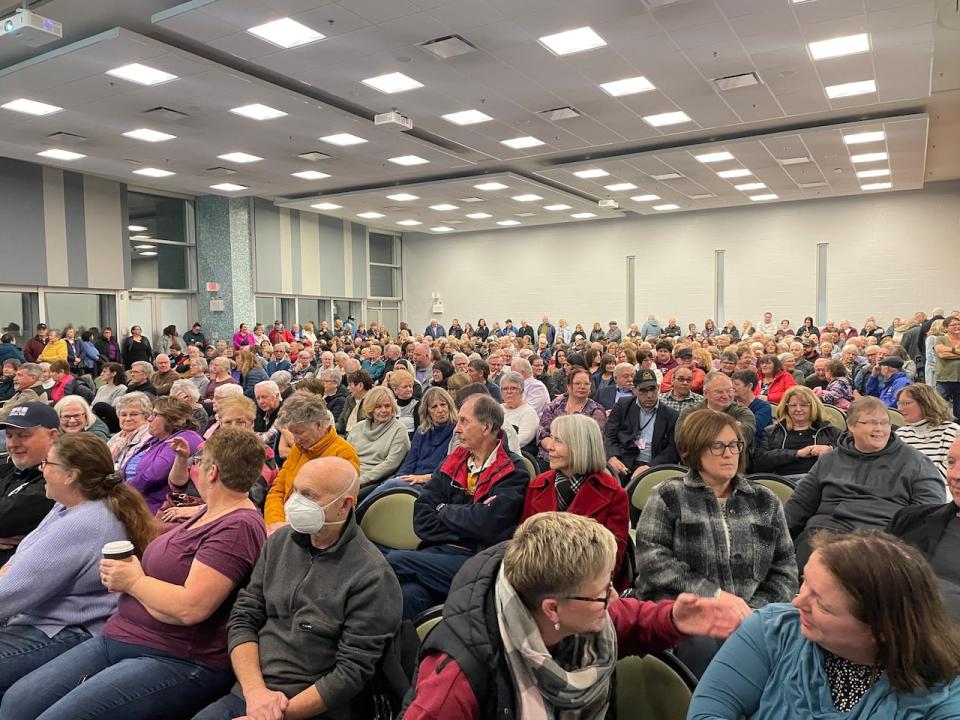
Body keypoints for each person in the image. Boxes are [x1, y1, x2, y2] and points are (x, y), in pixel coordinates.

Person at [0, 428, 268, 720]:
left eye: (197, 460)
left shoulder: (237, 526)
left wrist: (134, 581)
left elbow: (190, 607)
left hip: (174, 654)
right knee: (17, 704)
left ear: (212, 471)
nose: (193, 467)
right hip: (120, 636)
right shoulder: (209, 512)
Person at [402, 512, 743, 718]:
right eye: (601, 593)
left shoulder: (564, 608)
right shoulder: (456, 681)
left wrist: (672, 619)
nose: (613, 597)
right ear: (553, 608)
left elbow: (625, 619)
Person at [192, 457, 401, 720]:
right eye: (295, 491)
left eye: (308, 495)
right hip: (252, 693)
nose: (295, 502)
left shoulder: (372, 575)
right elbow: (244, 617)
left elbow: (352, 671)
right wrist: (255, 693)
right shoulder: (279, 542)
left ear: (344, 505)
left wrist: (275, 715)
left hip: (311, 707)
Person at [689, 531, 960, 719]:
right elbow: (708, 712)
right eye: (804, 582)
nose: (797, 603)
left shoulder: (943, 688)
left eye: (821, 604)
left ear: (882, 630)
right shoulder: (773, 629)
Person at [635, 408, 797, 674]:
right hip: (686, 611)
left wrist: (752, 612)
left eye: (734, 445)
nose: (729, 453)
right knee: (702, 649)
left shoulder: (764, 500)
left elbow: (785, 569)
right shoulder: (669, 495)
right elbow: (652, 561)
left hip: (752, 615)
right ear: (693, 451)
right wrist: (716, 597)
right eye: (718, 446)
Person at [0, 434, 155, 696]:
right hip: (43, 623)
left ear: (70, 475)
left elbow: (10, 592)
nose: (42, 470)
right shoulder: (68, 506)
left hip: (64, 632)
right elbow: (17, 566)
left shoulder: (84, 522)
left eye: (47, 464)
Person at [386, 394, 529, 619]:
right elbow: (422, 519)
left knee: (392, 561)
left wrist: (443, 510)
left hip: (479, 561)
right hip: (438, 554)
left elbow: (487, 527)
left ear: (486, 427)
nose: (456, 428)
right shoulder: (454, 461)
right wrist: (466, 521)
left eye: (464, 421)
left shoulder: (513, 470)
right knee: (409, 596)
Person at [784, 396, 945, 570]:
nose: (880, 429)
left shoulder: (916, 462)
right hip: (824, 534)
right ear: (851, 426)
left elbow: (929, 517)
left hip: (881, 540)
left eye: (884, 423)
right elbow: (797, 507)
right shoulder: (829, 461)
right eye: (870, 422)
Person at [522, 414, 630, 587]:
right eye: (551, 439)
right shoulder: (537, 485)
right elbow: (523, 543)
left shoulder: (614, 494)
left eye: (558, 441)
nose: (550, 447)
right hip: (538, 582)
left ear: (579, 447)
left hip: (588, 587)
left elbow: (612, 559)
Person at [264, 393, 360, 532]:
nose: (295, 440)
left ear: (319, 425)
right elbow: (277, 489)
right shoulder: (300, 449)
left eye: (300, 433)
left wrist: (283, 531)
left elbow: (338, 512)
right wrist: (275, 522)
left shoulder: (344, 456)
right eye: (293, 433)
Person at [360, 387, 458, 505]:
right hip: (412, 479)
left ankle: (360, 512)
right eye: (434, 407)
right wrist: (401, 477)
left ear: (450, 406)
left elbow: (449, 470)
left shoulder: (456, 432)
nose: (440, 410)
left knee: (391, 485)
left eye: (443, 405)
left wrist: (421, 478)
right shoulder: (422, 431)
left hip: (433, 483)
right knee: (391, 484)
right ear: (427, 411)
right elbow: (409, 463)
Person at [0, 403, 59, 565]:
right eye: (10, 435)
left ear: (53, 436)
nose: (13, 444)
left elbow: (4, 518)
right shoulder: (8, 469)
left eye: (23, 435)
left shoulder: (57, 481)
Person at [123, 396, 204, 513]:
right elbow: (125, 467)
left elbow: (152, 476)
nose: (149, 419)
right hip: (133, 499)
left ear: (172, 419)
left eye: (155, 415)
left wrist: (119, 491)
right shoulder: (155, 439)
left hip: (155, 507)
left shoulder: (185, 438)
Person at [605, 368, 680, 482]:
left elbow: (672, 450)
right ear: (634, 390)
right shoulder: (623, 406)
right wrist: (612, 457)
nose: (649, 395)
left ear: (658, 388)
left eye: (652, 389)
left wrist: (650, 467)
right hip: (624, 461)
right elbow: (610, 435)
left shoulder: (671, 415)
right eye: (643, 391)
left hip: (653, 464)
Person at [752, 386, 841, 478]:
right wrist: (796, 453)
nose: (798, 409)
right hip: (783, 482)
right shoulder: (772, 432)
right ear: (786, 408)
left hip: (819, 481)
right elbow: (759, 461)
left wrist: (831, 450)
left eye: (803, 405)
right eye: (793, 405)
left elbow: (850, 455)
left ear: (813, 407)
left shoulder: (829, 431)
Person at [537, 366, 607, 464]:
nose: (582, 387)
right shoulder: (553, 406)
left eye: (586, 384)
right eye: (577, 383)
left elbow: (592, 442)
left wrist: (564, 453)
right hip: (549, 456)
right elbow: (542, 434)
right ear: (569, 387)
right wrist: (556, 449)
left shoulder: (596, 411)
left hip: (578, 460)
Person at [346, 387, 411, 491]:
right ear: (370, 409)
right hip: (348, 474)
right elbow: (345, 454)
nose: (383, 410)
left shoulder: (399, 430)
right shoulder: (357, 427)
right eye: (378, 407)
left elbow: (391, 464)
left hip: (372, 482)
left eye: (387, 406)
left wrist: (361, 479)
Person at [896, 382, 960, 484]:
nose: (900, 409)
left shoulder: (952, 431)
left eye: (906, 403)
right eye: (899, 403)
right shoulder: (900, 434)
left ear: (925, 404)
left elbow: (949, 473)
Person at [678, 372, 757, 449]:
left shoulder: (743, 413)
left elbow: (745, 436)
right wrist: (732, 427)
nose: (726, 396)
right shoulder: (691, 412)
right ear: (705, 393)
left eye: (729, 390)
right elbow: (682, 440)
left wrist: (700, 430)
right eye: (719, 392)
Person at [107, 392, 153, 471]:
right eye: (123, 415)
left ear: (146, 415)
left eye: (134, 414)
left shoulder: (150, 438)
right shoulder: (116, 437)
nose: (128, 419)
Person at [731, 368, 772, 449]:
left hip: (753, 449)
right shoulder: (729, 404)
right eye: (732, 384)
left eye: (736, 384)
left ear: (749, 386)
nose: (732, 387)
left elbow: (753, 429)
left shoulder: (763, 407)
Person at [500, 372, 540, 453]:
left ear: (522, 391)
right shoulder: (497, 408)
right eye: (505, 389)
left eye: (514, 388)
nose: (509, 392)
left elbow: (521, 440)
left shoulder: (528, 413)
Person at [335, 368, 373, 435]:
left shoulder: (372, 401)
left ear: (360, 386)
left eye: (350, 385)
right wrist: (329, 428)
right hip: (345, 435)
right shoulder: (349, 399)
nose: (348, 388)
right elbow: (341, 423)